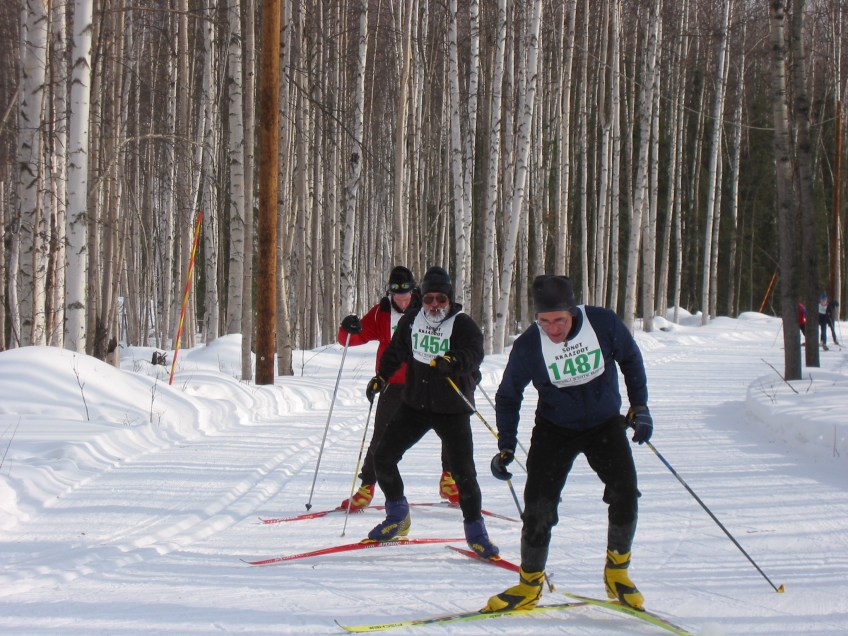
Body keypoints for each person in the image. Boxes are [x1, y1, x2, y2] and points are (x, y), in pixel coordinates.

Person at [482, 275, 652, 613]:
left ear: (572, 311)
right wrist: (507, 444)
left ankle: (617, 572)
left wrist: (640, 406)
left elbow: (631, 359)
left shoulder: (602, 324)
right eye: (544, 321)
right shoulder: (530, 345)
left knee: (625, 492)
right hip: (555, 429)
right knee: (539, 506)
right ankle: (529, 583)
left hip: (604, 424)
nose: (553, 329)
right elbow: (508, 395)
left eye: (559, 320)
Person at [364, 266, 499, 558]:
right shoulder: (412, 320)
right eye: (429, 299)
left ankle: (476, 533)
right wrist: (381, 377)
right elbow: (396, 351)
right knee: (382, 458)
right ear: (420, 298)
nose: (435, 305)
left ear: (450, 299)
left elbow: (475, 352)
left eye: (441, 299)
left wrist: (454, 361)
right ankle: (398, 515)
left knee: (464, 474)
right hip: (416, 405)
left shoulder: (462, 324)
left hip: (452, 409)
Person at [337, 266, 459, 510]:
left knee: (451, 430)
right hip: (394, 383)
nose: (402, 301)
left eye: (406, 295)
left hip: (430, 380)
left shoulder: (428, 306)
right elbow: (349, 339)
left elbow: (453, 335)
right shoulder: (380, 313)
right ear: (390, 293)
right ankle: (367, 487)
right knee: (381, 437)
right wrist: (347, 328)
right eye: (397, 295)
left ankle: (449, 479)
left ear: (414, 291)